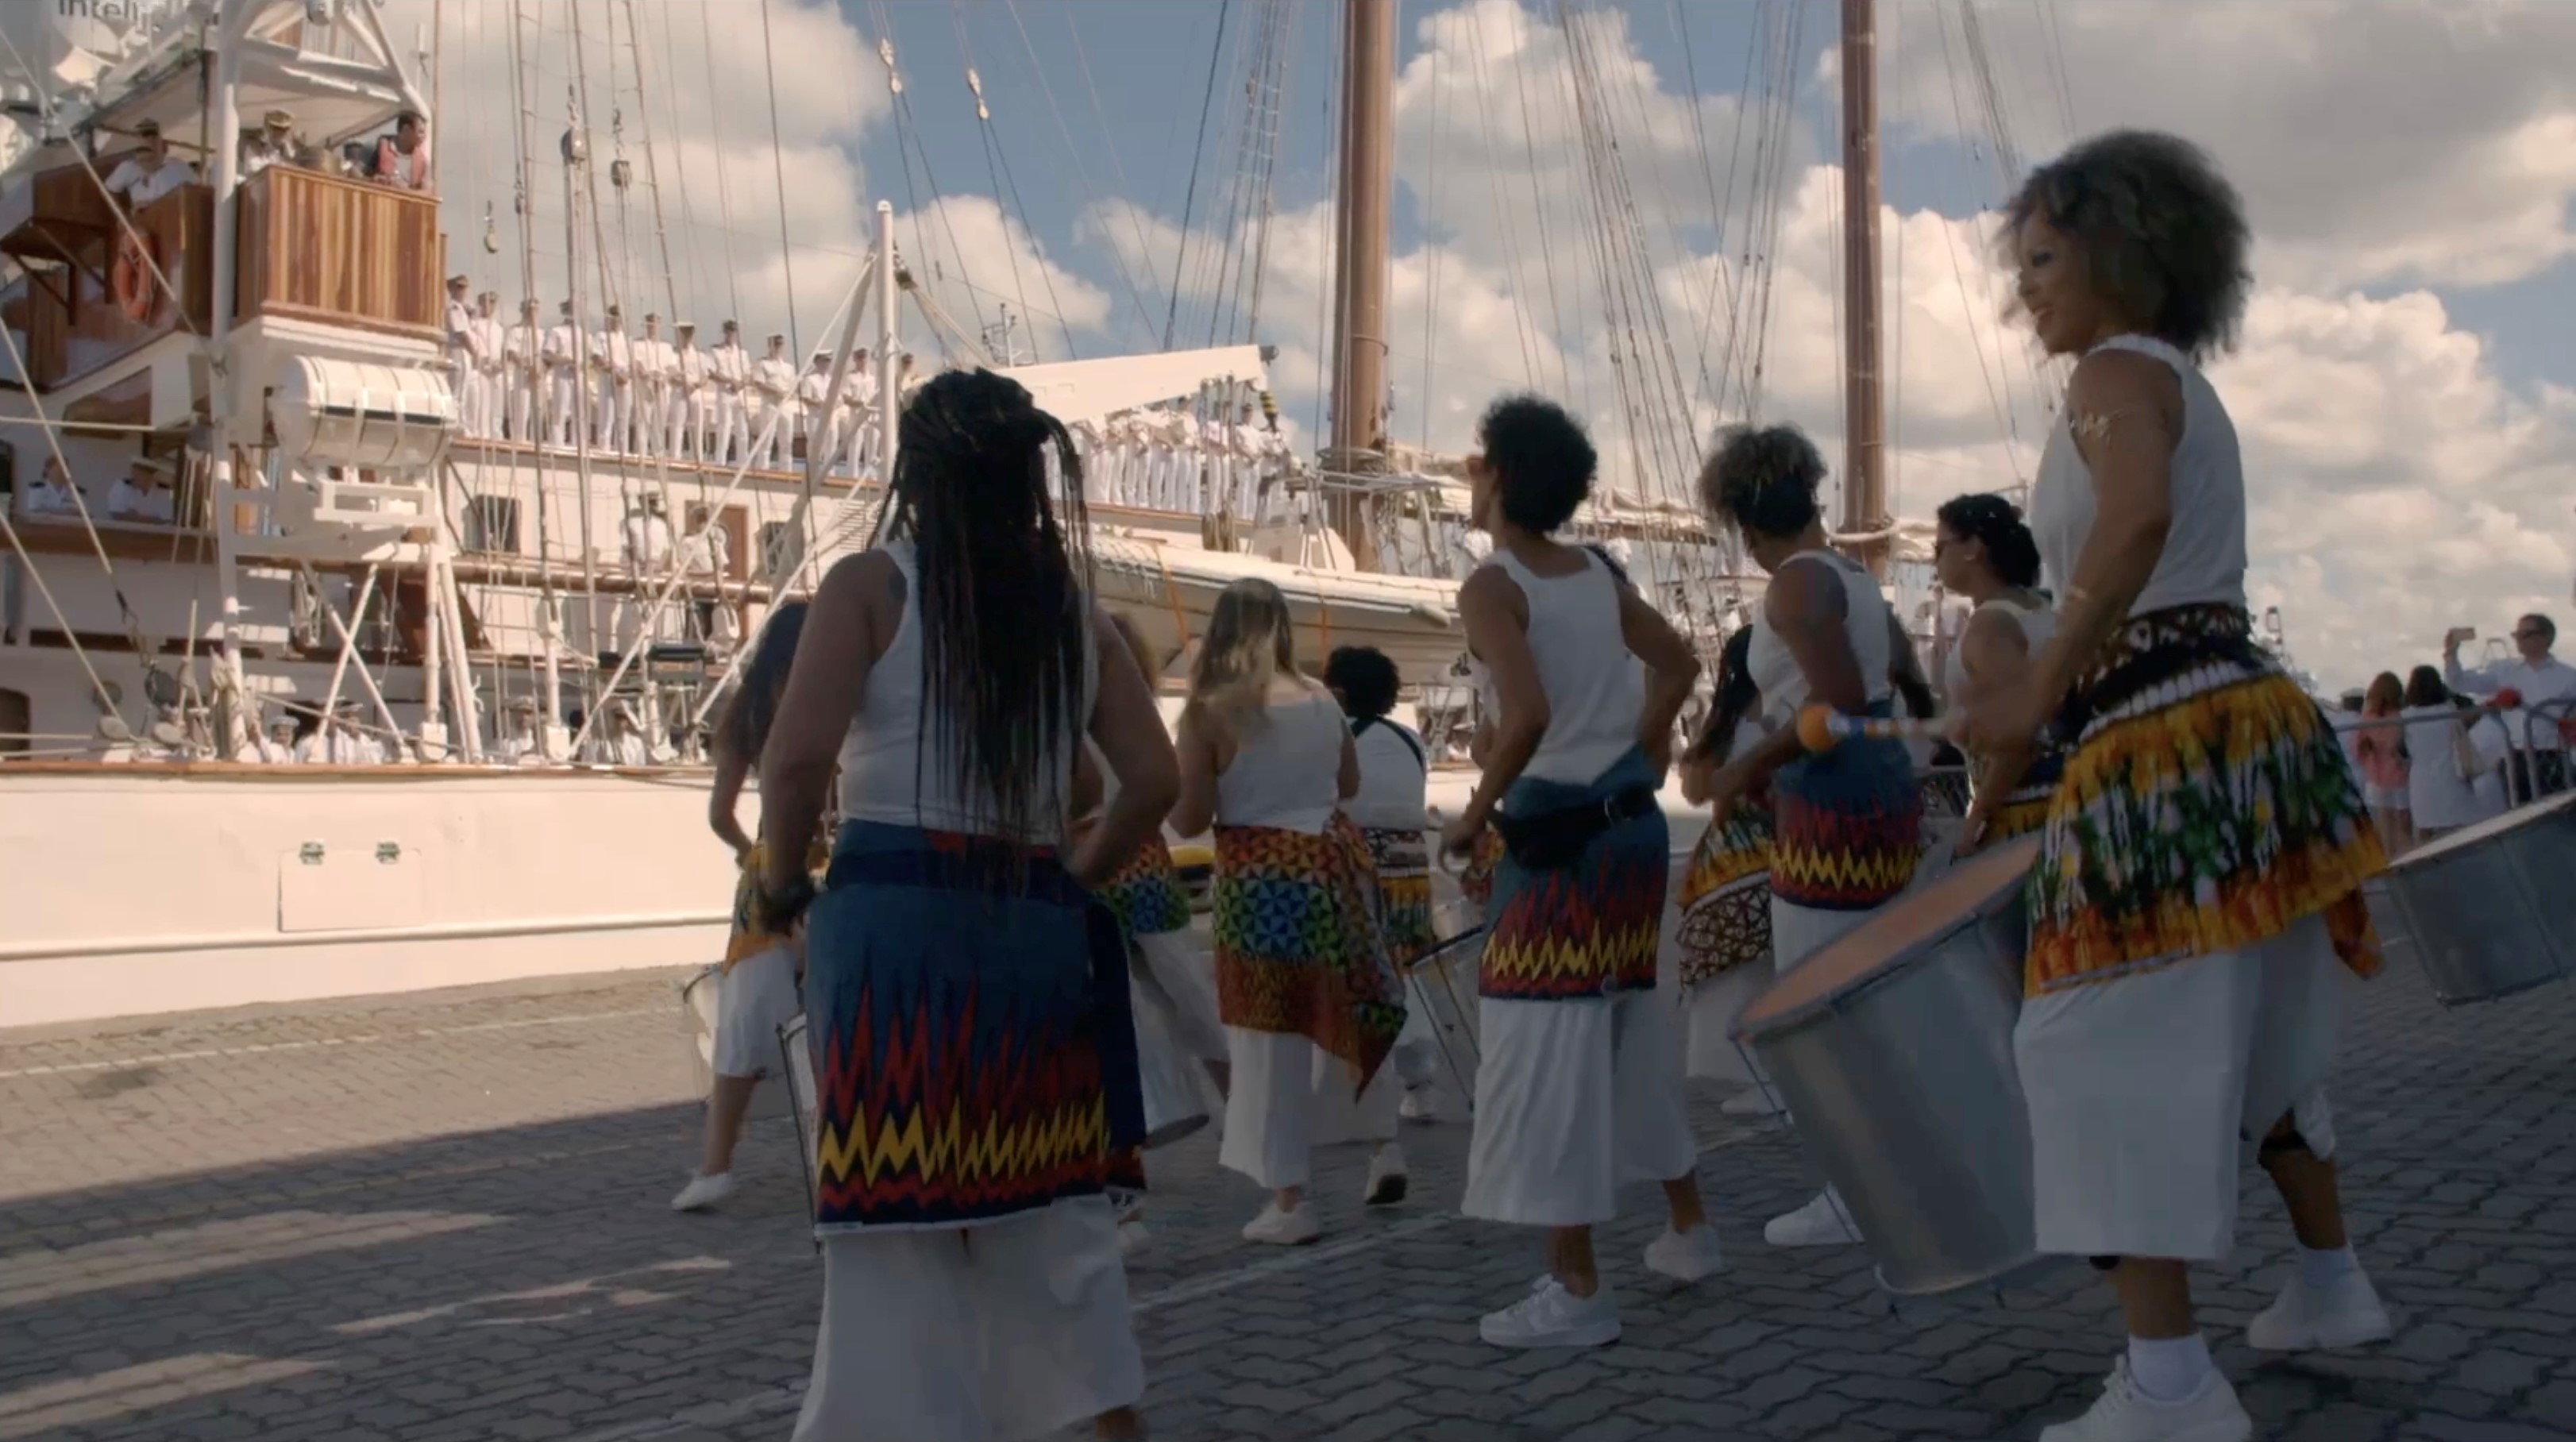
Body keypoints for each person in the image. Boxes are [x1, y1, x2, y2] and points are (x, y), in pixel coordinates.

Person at [1959, 130, 2390, 1442]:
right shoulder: (2171, 378)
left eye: (2045, 257)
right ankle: (2329, 1287)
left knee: (2085, 1052)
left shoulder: (2111, 374)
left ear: (2121, 256)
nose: (2024, 285)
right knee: (2259, 1032)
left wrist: (2042, 686)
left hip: (2156, 746)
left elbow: (2136, 517)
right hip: (2235, 728)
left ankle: (2167, 1385)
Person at [750, 368, 1170, 1441]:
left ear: (921, 472)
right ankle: (1111, 1425)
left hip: (897, 928)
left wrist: (782, 881)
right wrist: (1073, 874)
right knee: (1054, 1218)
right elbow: (1153, 780)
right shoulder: (1073, 615)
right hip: (1033, 928)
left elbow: (794, 763)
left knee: (897, 1231)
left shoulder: (870, 587)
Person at [1438, 395, 1723, 1351]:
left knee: (1544, 1048)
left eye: (1477, 461)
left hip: (1556, 844)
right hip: (1629, 835)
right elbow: (1677, 664)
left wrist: (1474, 813)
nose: (1468, 475)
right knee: (1627, 1030)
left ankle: (1576, 1289)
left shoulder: (1493, 584)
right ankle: (1689, 1228)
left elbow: (1526, 715)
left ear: (1500, 477)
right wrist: (1640, 745)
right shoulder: (1599, 573)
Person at [1692, 422, 1924, 1251]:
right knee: (1865, 995)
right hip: (1871, 790)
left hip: (1832, 805)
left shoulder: (1795, 585)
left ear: (1748, 522)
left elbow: (1837, 704)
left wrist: (1744, 767)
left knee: (1819, 1002)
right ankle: (1893, 1174)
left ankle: (1856, 1192)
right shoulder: (1856, 579)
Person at [1172, 576, 1408, 1244]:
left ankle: (1290, 1199)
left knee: (1269, 1034)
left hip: (1261, 880)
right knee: (1353, 1004)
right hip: (1332, 868)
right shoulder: (1322, 700)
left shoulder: (1210, 712)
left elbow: (1189, 818)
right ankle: (1385, 1146)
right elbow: (1348, 784)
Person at [673, 603, 814, 1213]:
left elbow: (719, 814)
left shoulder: (749, 709)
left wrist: (747, 853)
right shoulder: (836, 697)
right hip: (840, 859)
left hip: (767, 872)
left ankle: (715, 1167)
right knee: (834, 1018)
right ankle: (835, 1153)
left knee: (742, 1025)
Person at [1322, 644, 1444, 1120]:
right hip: (1411, 872)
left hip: (1358, 871)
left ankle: (1360, 1082)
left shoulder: (1335, 737)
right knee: (1407, 969)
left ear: (1338, 692)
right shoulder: (1410, 739)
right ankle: (1421, 1082)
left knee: (1360, 974)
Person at [1674, 627, 1778, 1101]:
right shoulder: (1787, 714)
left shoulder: (1726, 724)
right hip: (1779, 849)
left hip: (1728, 859)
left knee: (1736, 976)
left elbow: (1695, 792)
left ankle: (1746, 1075)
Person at [1931, 492, 2061, 851]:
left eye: (1939, 548)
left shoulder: (1990, 626)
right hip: (2058, 799)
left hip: (2022, 812)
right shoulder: (2041, 608)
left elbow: (2021, 735)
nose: (1934, 559)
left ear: (1972, 548)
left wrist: (1979, 816)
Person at [2444, 615, 2574, 801]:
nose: (2519, 639)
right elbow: (2460, 683)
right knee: (2523, 811)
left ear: (2546, 637)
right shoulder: (2505, 671)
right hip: (2517, 756)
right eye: (2516, 634)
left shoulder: (2568, 677)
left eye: (2525, 634)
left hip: (2555, 755)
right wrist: (2451, 654)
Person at [2401, 666, 2510, 839]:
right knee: (2461, 828)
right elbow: (2470, 718)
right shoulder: (2448, 711)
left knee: (2426, 827)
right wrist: (2490, 705)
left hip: (2421, 781)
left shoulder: (2404, 717)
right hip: (2450, 775)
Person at [2353, 672, 2415, 857]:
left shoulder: (2367, 718)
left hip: (2376, 775)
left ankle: (2390, 858)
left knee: (2385, 824)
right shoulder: (2401, 716)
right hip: (2400, 775)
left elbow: (2358, 748)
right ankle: (2408, 856)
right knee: (2405, 824)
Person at [102, 121, 196, 209]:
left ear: (164, 148)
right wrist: (124, 215)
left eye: (152, 137)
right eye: (144, 136)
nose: (148, 139)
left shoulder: (178, 167)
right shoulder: (128, 168)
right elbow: (109, 191)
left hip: (171, 214)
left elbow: (196, 193)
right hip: (143, 217)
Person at [541, 302, 584, 449]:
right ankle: (558, 442)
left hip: (578, 373)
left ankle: (577, 443)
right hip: (562, 372)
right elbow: (548, 353)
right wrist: (565, 361)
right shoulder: (556, 331)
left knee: (579, 410)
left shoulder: (582, 333)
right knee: (560, 408)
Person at [592, 305, 634, 454]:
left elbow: (633, 361)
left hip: (625, 377)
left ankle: (623, 450)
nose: (616, 320)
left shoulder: (627, 339)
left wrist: (626, 375)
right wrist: (614, 372)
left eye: (618, 316)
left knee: (624, 417)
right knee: (607, 414)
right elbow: (597, 357)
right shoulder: (601, 336)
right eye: (613, 316)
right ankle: (604, 448)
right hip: (608, 375)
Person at [753, 334, 799, 469]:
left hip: (785, 405)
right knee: (766, 439)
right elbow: (759, 383)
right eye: (776, 344)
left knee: (787, 441)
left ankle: (786, 470)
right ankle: (763, 468)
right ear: (770, 345)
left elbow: (793, 386)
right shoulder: (762, 364)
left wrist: (788, 394)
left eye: (780, 344)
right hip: (770, 404)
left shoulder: (789, 367)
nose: (778, 347)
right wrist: (776, 391)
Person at [709, 321, 751, 465]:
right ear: (725, 332)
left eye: (734, 331)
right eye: (729, 331)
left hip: (739, 393)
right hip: (725, 392)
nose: (731, 334)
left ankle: (742, 462)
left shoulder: (742, 353)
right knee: (724, 427)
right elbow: (712, 373)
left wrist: (741, 384)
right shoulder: (716, 351)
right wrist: (730, 381)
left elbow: (747, 374)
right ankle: (720, 461)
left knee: (742, 430)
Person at [634, 314, 676, 457]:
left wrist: (663, 378)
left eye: (655, 325)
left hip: (662, 386)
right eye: (650, 324)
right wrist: (647, 374)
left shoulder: (667, 347)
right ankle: (641, 454)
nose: (653, 328)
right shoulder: (638, 344)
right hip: (645, 385)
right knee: (643, 421)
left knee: (660, 423)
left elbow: (672, 367)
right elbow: (636, 363)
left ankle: (658, 454)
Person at [503, 299, 542, 443]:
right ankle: (520, 438)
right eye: (530, 310)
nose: (532, 314)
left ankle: (535, 439)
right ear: (523, 311)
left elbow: (545, 354)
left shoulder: (541, 332)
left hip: (539, 373)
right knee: (522, 406)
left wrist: (539, 368)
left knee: (537, 408)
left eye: (535, 310)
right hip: (523, 371)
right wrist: (526, 364)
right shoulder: (515, 331)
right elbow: (511, 352)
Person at [671, 322, 709, 461]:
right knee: (678, 425)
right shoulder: (674, 354)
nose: (687, 337)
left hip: (695, 392)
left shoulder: (700, 355)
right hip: (679, 391)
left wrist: (696, 385)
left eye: (689, 334)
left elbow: (705, 376)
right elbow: (671, 376)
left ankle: (698, 457)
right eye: (684, 334)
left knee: (697, 427)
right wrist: (684, 383)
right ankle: (675, 456)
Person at [375, 110, 430, 191]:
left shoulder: (421, 160)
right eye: (420, 132)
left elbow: (427, 191)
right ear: (406, 130)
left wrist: (405, 189)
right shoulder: (380, 148)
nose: (424, 137)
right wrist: (377, 180)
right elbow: (359, 175)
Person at [239, 109, 297, 179]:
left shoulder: (292, 154)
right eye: (275, 128)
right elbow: (253, 173)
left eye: (284, 129)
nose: (279, 133)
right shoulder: (255, 147)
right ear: (267, 128)